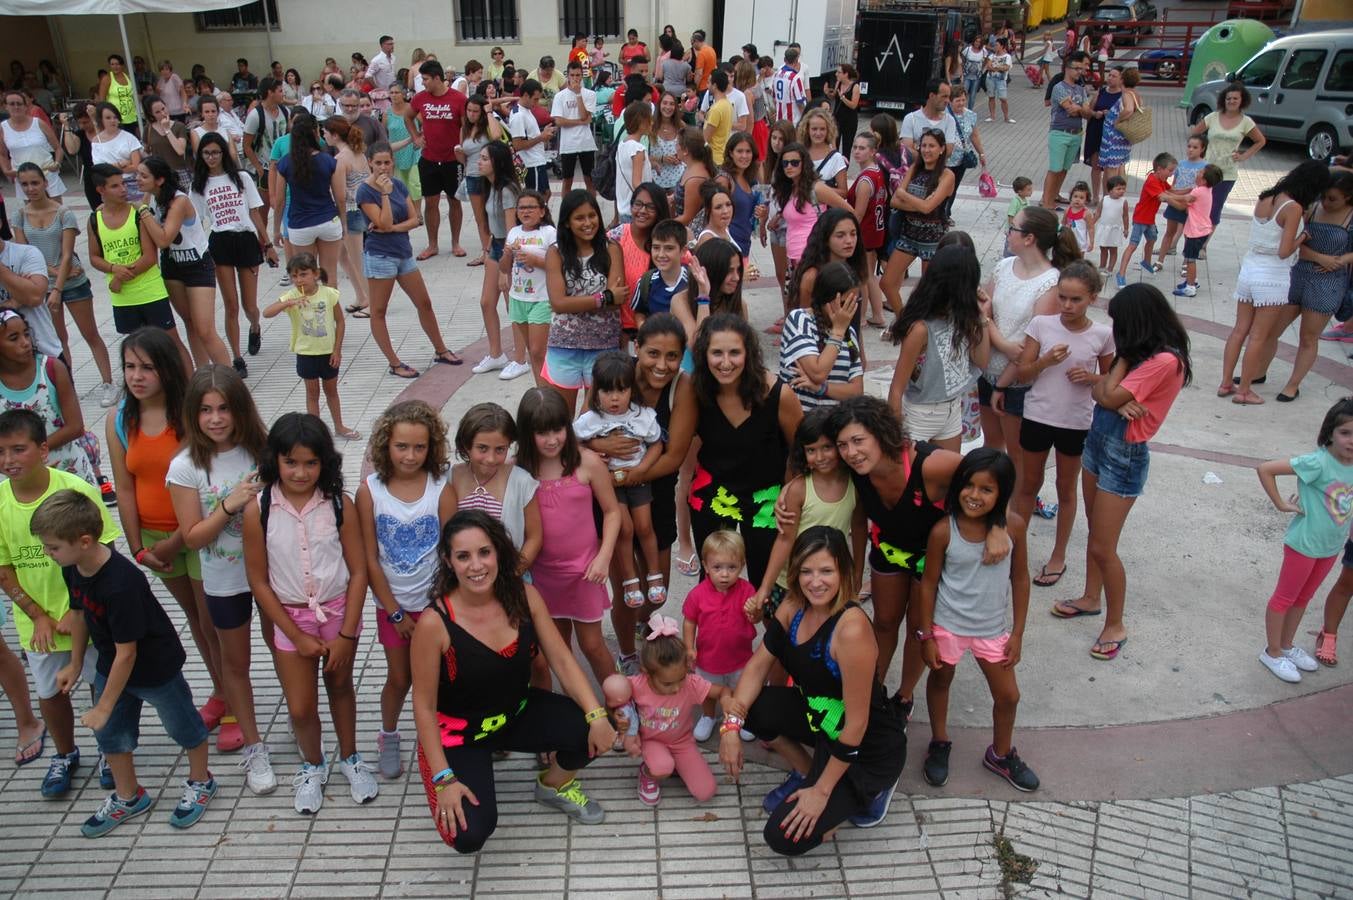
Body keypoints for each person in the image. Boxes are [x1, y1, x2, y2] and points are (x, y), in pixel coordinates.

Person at [410, 510, 613, 850]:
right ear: (448, 561)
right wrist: (444, 778)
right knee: (468, 835)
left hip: (514, 713)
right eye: (463, 556)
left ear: (499, 552)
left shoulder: (524, 596)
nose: (476, 566)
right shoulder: (434, 623)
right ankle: (453, 770)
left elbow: (562, 659)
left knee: (589, 729)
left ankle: (552, 785)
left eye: (484, 552)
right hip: (460, 736)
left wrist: (596, 714)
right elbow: (423, 707)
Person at [35, 489, 214, 836]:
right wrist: (74, 664)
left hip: (155, 667)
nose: (47, 553)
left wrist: (103, 705)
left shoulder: (121, 584)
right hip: (110, 662)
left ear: (84, 540)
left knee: (183, 727)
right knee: (111, 734)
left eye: (52, 547)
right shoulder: (73, 567)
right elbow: (78, 615)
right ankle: (128, 796)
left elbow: (128, 652)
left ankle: (201, 781)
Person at [719, 526, 907, 847]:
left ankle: (872, 788)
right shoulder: (793, 606)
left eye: (826, 571)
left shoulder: (851, 630)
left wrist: (821, 793)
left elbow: (857, 725)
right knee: (753, 707)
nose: (815, 582)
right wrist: (731, 727)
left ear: (844, 572)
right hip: (822, 724)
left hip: (867, 749)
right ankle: (807, 772)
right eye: (806, 571)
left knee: (781, 837)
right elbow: (757, 667)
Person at [823, 395, 1004, 712]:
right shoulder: (855, 470)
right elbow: (858, 517)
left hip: (930, 559)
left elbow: (993, 474)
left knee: (919, 630)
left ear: (881, 433)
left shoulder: (932, 464)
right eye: (842, 445)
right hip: (889, 550)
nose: (851, 452)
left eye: (858, 441)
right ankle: (871, 692)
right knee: (883, 622)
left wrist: (997, 524)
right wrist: (853, 573)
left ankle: (904, 697)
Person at [241, 412, 374, 813]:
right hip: (289, 621)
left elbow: (359, 571)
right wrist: (295, 635)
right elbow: (259, 582)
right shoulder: (258, 509)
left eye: (311, 463)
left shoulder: (339, 505)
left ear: (325, 463)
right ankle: (312, 765)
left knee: (340, 688)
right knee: (300, 706)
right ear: (274, 461)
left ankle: (350, 757)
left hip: (337, 615)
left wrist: (347, 634)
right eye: (291, 462)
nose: (300, 472)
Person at [1051, 285, 1192, 660]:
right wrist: (1113, 389)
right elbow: (1105, 394)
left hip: (1123, 454)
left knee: (1102, 545)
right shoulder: (1141, 353)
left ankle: (1115, 623)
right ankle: (1090, 597)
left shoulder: (1162, 361)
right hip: (1099, 441)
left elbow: (1108, 395)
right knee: (1094, 531)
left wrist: (1116, 383)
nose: (1115, 330)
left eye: (1120, 323)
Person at [107, 326, 229, 715]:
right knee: (195, 619)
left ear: (168, 369)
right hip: (153, 538)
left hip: (196, 533)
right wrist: (138, 548)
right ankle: (220, 689)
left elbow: (205, 490)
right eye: (129, 366)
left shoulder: (189, 416)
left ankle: (232, 700)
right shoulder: (119, 419)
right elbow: (124, 489)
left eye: (147, 367)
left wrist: (174, 542)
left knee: (212, 622)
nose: (136, 376)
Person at [164, 366, 276, 784]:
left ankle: (302, 727)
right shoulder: (184, 466)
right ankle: (254, 746)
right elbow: (192, 537)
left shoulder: (261, 451)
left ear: (240, 409)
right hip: (223, 579)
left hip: (270, 573)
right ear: (192, 414)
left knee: (283, 650)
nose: (215, 419)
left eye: (224, 408)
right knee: (236, 663)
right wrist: (228, 505)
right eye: (206, 410)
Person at [0, 410, 118, 796]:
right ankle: (65, 753)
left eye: (18, 450)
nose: (8, 460)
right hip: (38, 625)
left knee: (100, 682)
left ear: (44, 450)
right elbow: (4, 569)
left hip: (88, 616)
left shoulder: (75, 490)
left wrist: (77, 609)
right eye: (1, 452)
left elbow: (105, 551)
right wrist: (38, 616)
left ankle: (109, 749)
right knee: (50, 691)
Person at [914, 448, 1037, 791]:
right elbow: (929, 583)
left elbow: (1021, 578)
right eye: (969, 485)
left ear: (1002, 493)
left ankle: (1000, 754)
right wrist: (927, 635)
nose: (974, 495)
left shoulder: (1014, 527)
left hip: (992, 630)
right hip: (947, 626)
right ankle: (939, 742)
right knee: (940, 682)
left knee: (1009, 696)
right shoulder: (943, 531)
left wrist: (1018, 633)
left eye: (987, 489)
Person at [355, 400, 455, 779]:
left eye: (419, 447)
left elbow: (451, 552)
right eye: (401, 447)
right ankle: (389, 733)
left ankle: (448, 733)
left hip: (436, 607)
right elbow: (370, 558)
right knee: (400, 678)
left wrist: (437, 610)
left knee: (443, 676)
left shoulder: (441, 489)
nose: (410, 455)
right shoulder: (371, 491)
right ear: (385, 445)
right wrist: (394, 611)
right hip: (392, 605)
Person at [1008, 261, 1114, 589]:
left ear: (1092, 299)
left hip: (1075, 421)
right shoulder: (1041, 324)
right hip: (1038, 415)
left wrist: (1092, 377)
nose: (1067, 306)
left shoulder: (1102, 335)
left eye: (1076, 300)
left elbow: (1111, 380)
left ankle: (1058, 555)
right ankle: (1016, 549)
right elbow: (1022, 373)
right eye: (1063, 298)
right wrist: (1044, 362)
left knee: (1066, 489)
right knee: (1027, 485)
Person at [511, 387, 620, 686]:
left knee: (593, 646)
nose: (551, 440)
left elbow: (612, 512)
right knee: (554, 650)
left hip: (585, 572)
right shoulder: (518, 469)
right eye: (541, 432)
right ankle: (570, 712)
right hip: (541, 577)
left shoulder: (586, 462)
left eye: (558, 429)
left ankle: (622, 707)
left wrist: (603, 557)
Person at [688, 314, 803, 586]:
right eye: (717, 352)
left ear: (748, 353)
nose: (725, 363)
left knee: (770, 584)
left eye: (734, 353)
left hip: (767, 496)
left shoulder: (779, 394)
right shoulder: (697, 391)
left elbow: (800, 453)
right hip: (715, 493)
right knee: (715, 582)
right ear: (704, 354)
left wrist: (789, 493)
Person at [1255, 398, 1353, 683]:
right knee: (1285, 597)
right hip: (1304, 544)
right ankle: (1272, 652)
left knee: (1304, 597)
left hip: (1331, 546)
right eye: (1345, 433)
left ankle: (1287, 645)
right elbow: (1266, 469)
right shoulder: (1318, 462)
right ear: (1329, 434)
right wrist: (1281, 503)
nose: (1351, 441)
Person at [1221, 163, 1329, 406]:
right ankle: (1245, 390)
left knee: (1239, 330)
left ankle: (1226, 381)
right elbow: (1284, 251)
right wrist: (1303, 236)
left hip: (1249, 269)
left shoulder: (1266, 197)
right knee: (1259, 336)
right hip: (1272, 276)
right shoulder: (1293, 207)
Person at [355, 141, 462, 379]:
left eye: (387, 162)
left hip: (403, 252)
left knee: (424, 302)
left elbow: (414, 220)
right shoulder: (365, 191)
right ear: (370, 164)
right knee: (379, 310)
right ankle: (394, 363)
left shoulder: (400, 185)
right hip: (380, 255)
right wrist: (384, 195)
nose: (384, 168)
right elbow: (381, 222)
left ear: (393, 162)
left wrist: (392, 228)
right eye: (378, 163)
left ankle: (441, 349)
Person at [11, 164, 115, 405]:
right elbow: (25, 253)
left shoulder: (63, 213)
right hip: (42, 284)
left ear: (45, 183)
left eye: (35, 183)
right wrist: (54, 273)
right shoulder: (19, 215)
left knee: (90, 333)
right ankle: (68, 387)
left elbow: (68, 253)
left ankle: (108, 383)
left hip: (71, 282)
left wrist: (58, 285)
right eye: (25, 184)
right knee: (59, 338)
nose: (31, 189)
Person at [573, 352, 665, 610]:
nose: (614, 398)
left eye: (621, 391)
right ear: (595, 392)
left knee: (644, 527)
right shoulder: (591, 420)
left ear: (631, 390)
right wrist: (592, 446)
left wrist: (642, 470)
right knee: (624, 530)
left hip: (637, 481)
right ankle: (630, 581)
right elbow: (572, 442)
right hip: (610, 485)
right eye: (606, 391)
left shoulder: (642, 416)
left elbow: (657, 444)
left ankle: (654, 577)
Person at [85, 165, 191, 368]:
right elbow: (94, 257)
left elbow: (150, 257)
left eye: (123, 183)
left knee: (171, 343)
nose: (123, 189)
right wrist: (113, 269)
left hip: (151, 292)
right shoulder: (94, 220)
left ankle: (189, 385)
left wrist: (119, 276)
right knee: (135, 350)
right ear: (101, 190)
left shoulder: (138, 215)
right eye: (115, 186)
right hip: (123, 298)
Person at [886, 244, 989, 451]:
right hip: (921, 414)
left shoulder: (962, 316)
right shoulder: (920, 329)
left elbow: (981, 360)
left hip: (952, 408)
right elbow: (897, 388)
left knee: (947, 478)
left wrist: (982, 318)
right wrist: (896, 434)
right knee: (914, 478)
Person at [619, 613, 723, 806]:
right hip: (651, 740)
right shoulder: (635, 684)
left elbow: (721, 691)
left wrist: (729, 700)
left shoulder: (690, 684)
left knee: (705, 792)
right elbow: (615, 697)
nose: (676, 688)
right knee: (661, 767)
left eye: (681, 678)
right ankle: (647, 774)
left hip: (682, 742)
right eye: (667, 683)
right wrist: (625, 725)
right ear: (646, 673)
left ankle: (674, 764)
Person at [138, 156, 232, 369]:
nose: (138, 179)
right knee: (189, 323)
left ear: (160, 180)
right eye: (137, 174)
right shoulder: (150, 197)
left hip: (197, 265)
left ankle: (229, 378)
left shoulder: (180, 201)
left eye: (143, 175)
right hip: (172, 266)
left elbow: (163, 239)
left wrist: (143, 211)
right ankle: (202, 372)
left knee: (205, 329)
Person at [190, 133, 272, 370]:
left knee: (249, 305)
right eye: (206, 153)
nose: (211, 157)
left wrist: (266, 244)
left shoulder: (241, 178)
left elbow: (255, 213)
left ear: (224, 153)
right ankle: (237, 357)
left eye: (216, 152)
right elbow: (195, 221)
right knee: (231, 304)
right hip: (220, 241)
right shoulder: (198, 185)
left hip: (245, 239)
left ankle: (255, 326)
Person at [542, 191, 626, 412]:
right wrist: (603, 297)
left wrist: (582, 302)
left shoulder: (611, 248)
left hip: (604, 346)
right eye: (580, 218)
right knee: (561, 418)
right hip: (564, 345)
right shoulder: (556, 253)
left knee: (596, 419)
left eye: (592, 216)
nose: (588, 223)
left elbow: (617, 299)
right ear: (567, 223)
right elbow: (558, 303)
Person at [262, 255, 360, 439]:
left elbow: (340, 322)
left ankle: (339, 426)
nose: (298, 280)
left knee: (331, 391)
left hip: (328, 353)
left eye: (303, 274)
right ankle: (316, 433)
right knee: (312, 393)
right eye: (294, 276)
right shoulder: (291, 296)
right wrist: (288, 303)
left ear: (315, 274)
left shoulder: (328, 294)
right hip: (306, 353)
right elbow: (267, 313)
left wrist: (337, 350)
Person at [1277, 175, 1353, 402]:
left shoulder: (1350, 217)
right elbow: (1293, 244)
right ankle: (1258, 371)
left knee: (1308, 337)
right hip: (1299, 273)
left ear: (1348, 197)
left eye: (1333, 199)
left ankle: (1293, 384)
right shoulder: (1312, 208)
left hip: (1329, 282)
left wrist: (1342, 259)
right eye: (1324, 197)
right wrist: (1322, 258)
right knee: (1273, 329)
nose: (1327, 203)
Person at [682, 531, 758, 740]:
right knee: (707, 691)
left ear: (741, 565)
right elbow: (690, 621)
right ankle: (708, 716)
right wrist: (689, 647)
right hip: (708, 658)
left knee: (740, 689)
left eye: (731, 567)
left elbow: (756, 619)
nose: (724, 574)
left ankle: (739, 717)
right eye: (717, 567)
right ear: (705, 566)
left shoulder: (747, 590)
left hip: (740, 658)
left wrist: (756, 611)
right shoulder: (697, 595)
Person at [449, 403, 542, 564]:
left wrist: (514, 574)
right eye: (482, 448)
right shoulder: (450, 479)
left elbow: (534, 537)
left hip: (509, 575)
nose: (491, 458)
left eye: (500, 449)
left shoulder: (521, 482)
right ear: (466, 445)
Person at [878, 130, 955, 311]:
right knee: (887, 283)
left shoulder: (947, 175)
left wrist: (906, 196)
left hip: (933, 239)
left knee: (929, 291)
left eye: (932, 146)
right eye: (924, 146)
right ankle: (902, 319)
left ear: (942, 149)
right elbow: (895, 200)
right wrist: (919, 204)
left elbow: (928, 208)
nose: (926, 150)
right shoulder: (914, 168)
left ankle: (924, 327)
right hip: (909, 234)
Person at [406, 60, 468, 260]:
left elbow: (466, 126)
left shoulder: (458, 99)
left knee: (454, 201)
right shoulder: (420, 98)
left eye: (425, 79)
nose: (422, 83)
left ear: (437, 78)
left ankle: (455, 242)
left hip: (452, 160)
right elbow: (408, 116)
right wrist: (416, 136)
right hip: (429, 159)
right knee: (430, 203)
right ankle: (432, 244)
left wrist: (463, 148)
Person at [273, 114, 344, 285]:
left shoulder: (285, 163)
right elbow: (340, 197)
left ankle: (310, 311)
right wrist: (344, 222)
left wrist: (276, 230)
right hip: (328, 219)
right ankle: (331, 311)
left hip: (300, 223)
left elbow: (280, 201)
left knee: (305, 275)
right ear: (315, 135)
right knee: (329, 274)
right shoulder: (328, 161)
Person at [1190, 82, 1266, 227]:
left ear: (1242, 100)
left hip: (1227, 173)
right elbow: (1194, 134)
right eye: (1228, 98)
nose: (1231, 101)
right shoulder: (1212, 117)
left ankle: (1203, 245)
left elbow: (1260, 141)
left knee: (1214, 208)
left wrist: (1244, 156)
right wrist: (1199, 152)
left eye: (1235, 98)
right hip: (1206, 170)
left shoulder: (1246, 122)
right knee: (1199, 205)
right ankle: (1194, 236)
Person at [1114, 152, 1176, 289]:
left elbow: (1173, 191)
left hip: (1150, 220)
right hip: (1141, 218)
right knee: (1133, 245)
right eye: (1170, 170)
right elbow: (1164, 197)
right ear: (1160, 169)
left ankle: (1146, 262)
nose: (1171, 174)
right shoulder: (1152, 181)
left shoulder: (1161, 180)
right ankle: (1121, 274)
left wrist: (1190, 192)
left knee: (1152, 238)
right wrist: (1184, 199)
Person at [1040, 52, 1090, 210]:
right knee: (1055, 169)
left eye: (1081, 69)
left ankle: (1053, 197)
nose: (1079, 72)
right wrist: (1080, 109)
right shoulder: (1059, 87)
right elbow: (1070, 109)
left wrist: (1080, 109)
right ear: (1067, 69)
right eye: (1076, 68)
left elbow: (1087, 113)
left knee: (1064, 169)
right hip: (1059, 132)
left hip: (1076, 134)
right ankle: (1046, 202)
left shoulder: (1081, 90)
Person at [1170, 164, 1223, 298]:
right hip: (1202, 230)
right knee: (1190, 257)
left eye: (1200, 172)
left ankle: (1190, 288)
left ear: (1204, 179)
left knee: (1190, 259)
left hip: (1196, 232)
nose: (1197, 172)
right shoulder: (1205, 189)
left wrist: (1167, 197)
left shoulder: (1198, 192)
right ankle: (1192, 280)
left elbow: (1184, 199)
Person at [244, 77, 290, 231]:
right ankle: (264, 246)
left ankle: (286, 235)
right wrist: (258, 168)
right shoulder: (255, 115)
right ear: (270, 92)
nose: (283, 94)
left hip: (285, 166)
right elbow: (247, 145)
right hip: (265, 167)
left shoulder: (285, 111)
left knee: (285, 203)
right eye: (280, 91)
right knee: (264, 210)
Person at [0, 90, 63, 202]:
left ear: (26, 106)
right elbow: (2, 154)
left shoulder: (38, 123)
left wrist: (57, 163)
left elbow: (57, 147)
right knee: (33, 213)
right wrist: (6, 170)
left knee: (57, 211)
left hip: (47, 172)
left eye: (19, 104)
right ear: (5, 106)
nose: (16, 107)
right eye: (12, 104)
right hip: (23, 176)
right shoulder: (2, 128)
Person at [1154, 135, 1208, 267]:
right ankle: (1160, 261)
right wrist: (1171, 193)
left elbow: (1202, 188)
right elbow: (1175, 182)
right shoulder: (1181, 164)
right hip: (1176, 202)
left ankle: (1186, 263)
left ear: (1202, 149)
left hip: (1191, 205)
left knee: (1189, 236)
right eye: (1189, 146)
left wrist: (1173, 195)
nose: (1190, 150)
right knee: (1169, 232)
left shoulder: (1205, 166)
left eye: (1195, 147)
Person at [552, 60, 597, 195]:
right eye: (572, 75)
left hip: (586, 143)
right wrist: (580, 122)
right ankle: (565, 213)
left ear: (582, 76)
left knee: (589, 179)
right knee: (567, 180)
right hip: (568, 144)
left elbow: (585, 117)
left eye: (578, 75)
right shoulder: (559, 96)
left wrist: (578, 94)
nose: (575, 78)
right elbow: (558, 121)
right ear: (568, 76)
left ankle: (593, 208)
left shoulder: (590, 94)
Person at [942, 86, 986, 222]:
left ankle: (946, 214)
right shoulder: (943, 115)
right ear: (950, 101)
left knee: (953, 188)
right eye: (957, 100)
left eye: (963, 100)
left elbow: (974, 136)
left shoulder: (970, 115)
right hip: (945, 160)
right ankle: (938, 213)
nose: (961, 103)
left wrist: (982, 154)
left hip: (961, 160)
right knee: (942, 187)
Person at [508, 80, 557, 197]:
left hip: (537, 160)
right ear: (525, 95)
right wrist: (541, 137)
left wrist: (543, 133)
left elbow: (529, 135)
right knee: (536, 197)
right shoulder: (518, 115)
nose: (537, 103)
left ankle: (540, 215)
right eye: (535, 99)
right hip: (530, 163)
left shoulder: (526, 111)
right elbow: (518, 145)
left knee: (546, 193)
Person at [1096, 66, 1142, 184]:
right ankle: (1119, 193)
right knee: (1120, 165)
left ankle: (1112, 195)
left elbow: (1128, 110)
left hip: (1115, 138)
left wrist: (1117, 120)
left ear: (1122, 80)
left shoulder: (1126, 94)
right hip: (1123, 138)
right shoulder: (1135, 94)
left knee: (1112, 168)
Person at [90, 102, 144, 201]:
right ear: (101, 120)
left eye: (115, 117)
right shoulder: (96, 141)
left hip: (132, 183)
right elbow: (100, 168)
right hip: (109, 185)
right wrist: (120, 165)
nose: (113, 121)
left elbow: (136, 166)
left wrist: (112, 166)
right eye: (108, 118)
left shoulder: (129, 138)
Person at [900, 80, 956, 158]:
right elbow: (907, 151)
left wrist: (917, 148)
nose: (947, 101)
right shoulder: (910, 119)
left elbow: (948, 152)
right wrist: (937, 150)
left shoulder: (950, 121)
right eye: (944, 96)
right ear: (932, 96)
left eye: (948, 97)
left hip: (939, 170)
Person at [95, 54, 139, 135]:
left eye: (117, 64)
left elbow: (135, 95)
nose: (115, 66)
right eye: (112, 64)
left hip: (132, 116)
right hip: (115, 118)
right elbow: (102, 101)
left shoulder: (128, 77)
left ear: (122, 65)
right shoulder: (107, 78)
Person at [1096, 175, 1129, 274]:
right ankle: (1102, 266)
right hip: (1104, 228)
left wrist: (1126, 229)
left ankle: (1110, 269)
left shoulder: (1123, 202)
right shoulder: (1105, 199)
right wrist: (1091, 223)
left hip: (1115, 230)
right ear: (1110, 190)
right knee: (1103, 248)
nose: (1122, 191)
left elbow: (1125, 216)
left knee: (1113, 250)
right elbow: (1098, 213)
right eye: (1118, 189)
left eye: (1123, 188)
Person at [771, 48, 807, 125]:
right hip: (792, 122)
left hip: (779, 121)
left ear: (784, 59)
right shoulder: (795, 78)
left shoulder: (776, 75)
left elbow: (774, 98)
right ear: (797, 61)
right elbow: (800, 102)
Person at [985, 37, 1014, 124]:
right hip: (990, 78)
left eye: (997, 45)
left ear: (1002, 46)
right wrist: (999, 68)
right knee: (991, 97)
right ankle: (992, 116)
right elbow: (988, 66)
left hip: (1001, 80)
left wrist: (996, 67)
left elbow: (1006, 67)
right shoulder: (991, 55)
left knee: (1003, 98)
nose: (995, 47)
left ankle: (1006, 117)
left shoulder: (1007, 56)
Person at [1062, 181, 1094, 254]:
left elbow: (1091, 228)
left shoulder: (1086, 213)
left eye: (1081, 198)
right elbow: (1063, 223)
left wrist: (1091, 242)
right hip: (1069, 239)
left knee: (1079, 257)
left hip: (1080, 240)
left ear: (1086, 200)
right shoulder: (1067, 210)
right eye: (1075, 196)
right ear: (1071, 197)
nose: (1077, 199)